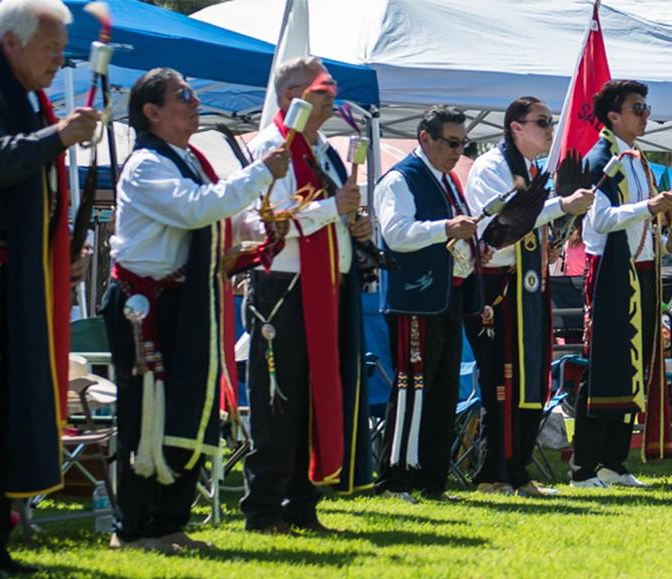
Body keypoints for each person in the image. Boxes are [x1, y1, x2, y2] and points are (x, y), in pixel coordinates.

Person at [103, 69, 286, 553]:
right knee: (148, 412)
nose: (194, 101)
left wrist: (267, 225)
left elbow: (223, 216)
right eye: (183, 95)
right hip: (145, 306)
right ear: (151, 111)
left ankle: (169, 522)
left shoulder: (189, 158)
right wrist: (261, 170)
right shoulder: (145, 164)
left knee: (192, 408)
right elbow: (195, 210)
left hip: (188, 300)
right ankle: (135, 528)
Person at [0, 0, 98, 574]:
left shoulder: (26, 96)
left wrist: (59, 251)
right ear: (15, 43)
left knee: (9, 409)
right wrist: (57, 137)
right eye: (51, 48)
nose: (60, 61)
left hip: (19, 274)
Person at [241, 57, 377, 532]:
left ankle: (302, 506)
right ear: (290, 97)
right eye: (322, 91)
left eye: (332, 89)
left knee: (316, 397)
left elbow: (329, 212)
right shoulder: (271, 146)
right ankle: (263, 510)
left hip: (328, 287)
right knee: (280, 402)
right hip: (283, 289)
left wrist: (353, 224)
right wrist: (330, 208)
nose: (331, 99)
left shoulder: (323, 149)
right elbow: (268, 222)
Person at [464, 97, 593, 496]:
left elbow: (526, 228)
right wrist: (560, 205)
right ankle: (493, 474)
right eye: (542, 122)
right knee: (502, 381)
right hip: (498, 291)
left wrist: (546, 245)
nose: (550, 129)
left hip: (530, 289)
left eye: (551, 122)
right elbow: (499, 226)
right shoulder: (492, 167)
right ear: (515, 127)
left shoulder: (532, 169)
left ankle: (517, 471)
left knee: (531, 381)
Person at [375, 105, 483, 503]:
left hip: (447, 296)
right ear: (425, 138)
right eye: (451, 142)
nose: (458, 151)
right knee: (411, 389)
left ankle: (432, 480)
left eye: (463, 143)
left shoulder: (447, 180)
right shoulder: (401, 179)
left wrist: (473, 250)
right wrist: (447, 228)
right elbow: (396, 233)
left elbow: (455, 235)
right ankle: (395, 479)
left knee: (442, 391)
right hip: (414, 299)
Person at [573, 79, 672, 489]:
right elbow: (598, 220)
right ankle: (583, 467)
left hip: (643, 272)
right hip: (612, 274)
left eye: (647, 108)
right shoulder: (602, 158)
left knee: (634, 371)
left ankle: (613, 463)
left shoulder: (636, 158)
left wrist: (669, 237)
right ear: (613, 116)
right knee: (603, 368)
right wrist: (647, 206)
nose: (645, 115)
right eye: (638, 108)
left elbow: (639, 222)